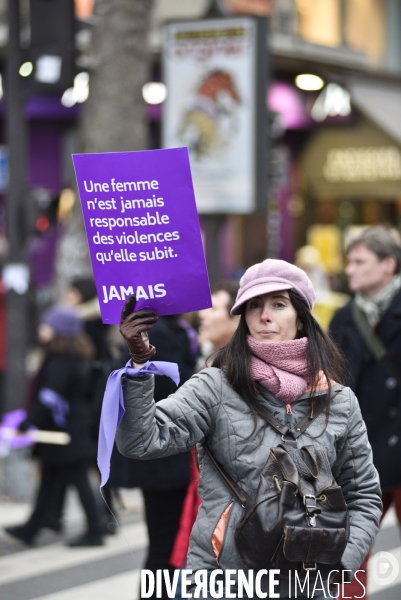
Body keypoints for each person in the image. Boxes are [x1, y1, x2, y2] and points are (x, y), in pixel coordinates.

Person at [115, 259, 382, 599]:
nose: (264, 315)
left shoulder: (340, 401)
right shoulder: (215, 386)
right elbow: (141, 441)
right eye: (254, 306)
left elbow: (364, 496)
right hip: (221, 581)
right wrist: (139, 368)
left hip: (305, 584)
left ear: (301, 317)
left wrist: (341, 564)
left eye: (278, 304)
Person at [329, 226, 401, 596]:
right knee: (349, 558)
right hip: (358, 457)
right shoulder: (343, 317)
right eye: (349, 261)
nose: (350, 269)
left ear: (388, 265)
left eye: (360, 261)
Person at [5, 306, 104, 547]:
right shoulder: (69, 357)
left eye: (46, 325)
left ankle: (95, 531)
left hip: (65, 433)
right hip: (69, 430)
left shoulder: (60, 361)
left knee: (78, 479)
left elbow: (50, 399)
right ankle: (32, 527)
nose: (42, 329)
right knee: (49, 478)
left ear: (58, 331)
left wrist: (29, 424)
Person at [198, 280, 240, 353]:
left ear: (237, 320)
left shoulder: (246, 363)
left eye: (213, 309)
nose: (202, 314)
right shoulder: (209, 358)